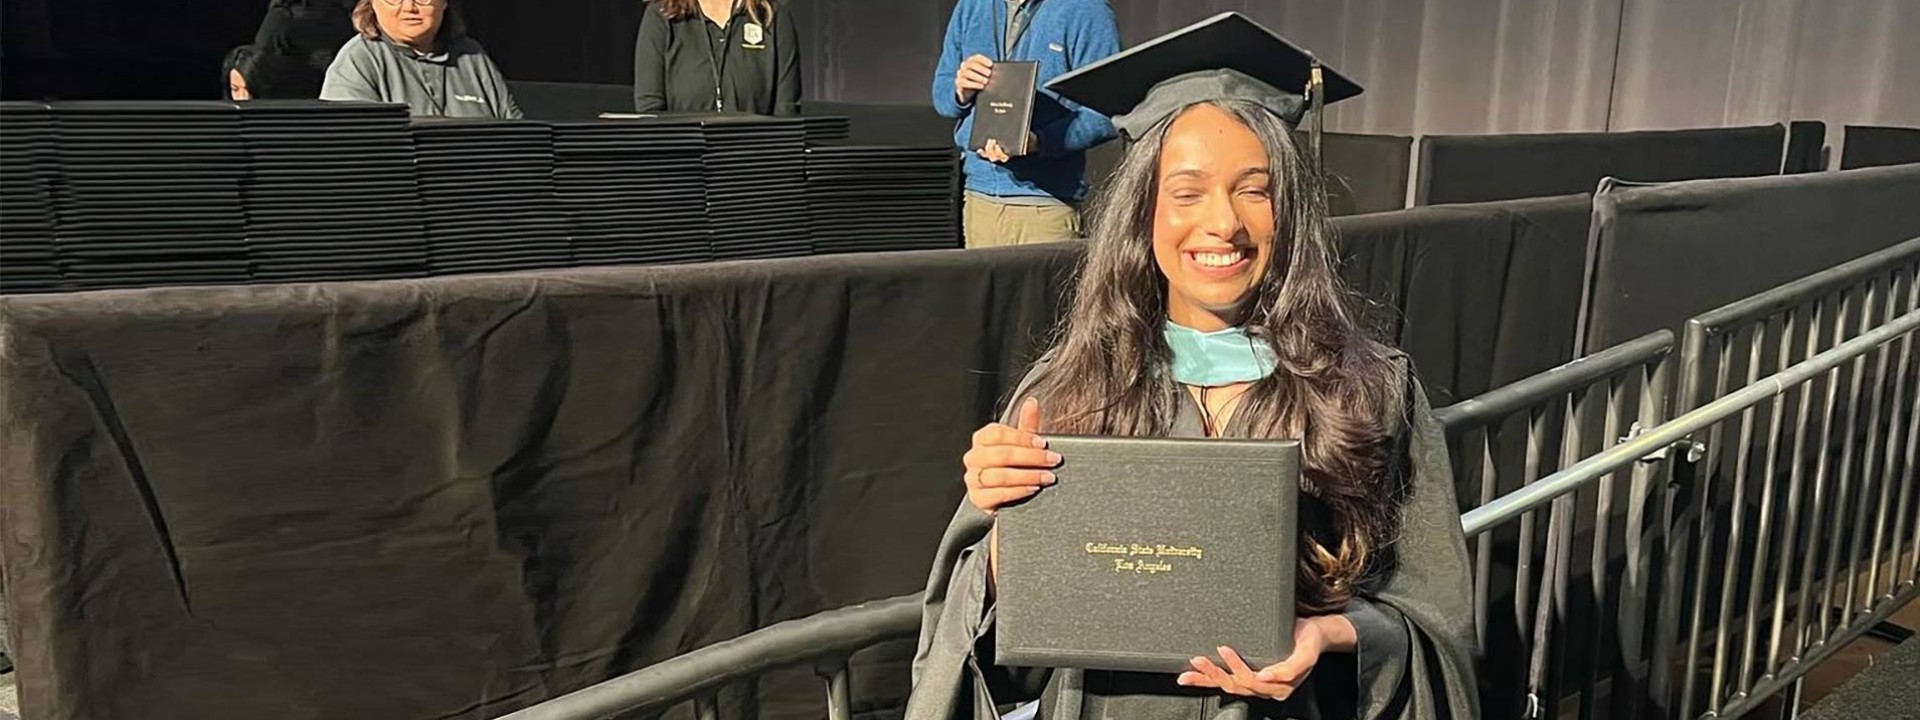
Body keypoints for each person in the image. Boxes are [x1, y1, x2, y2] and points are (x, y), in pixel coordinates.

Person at [905, 13, 1478, 720]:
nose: (1223, 224)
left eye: (1255, 190)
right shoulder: (1068, 390)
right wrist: (1007, 533)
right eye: (1186, 192)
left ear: (1291, 209)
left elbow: (1435, 629)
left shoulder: (1369, 391)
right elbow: (985, 661)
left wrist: (1336, 632)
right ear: (1143, 211)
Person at [931, 0, 1121, 249]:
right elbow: (943, 98)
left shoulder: (1085, 10)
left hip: (1044, 205)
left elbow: (1107, 112)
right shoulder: (972, 6)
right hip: (978, 200)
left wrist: (1039, 142)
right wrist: (960, 91)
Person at [320, 0, 522, 119]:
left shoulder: (473, 57)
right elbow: (353, 151)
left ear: (444, 3)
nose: (409, 7)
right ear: (372, 4)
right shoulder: (358, 61)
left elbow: (516, 136)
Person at [632, 0, 801, 116]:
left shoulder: (774, 17)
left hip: (753, 155)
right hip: (684, 155)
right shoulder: (661, 16)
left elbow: (786, 113)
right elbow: (650, 111)